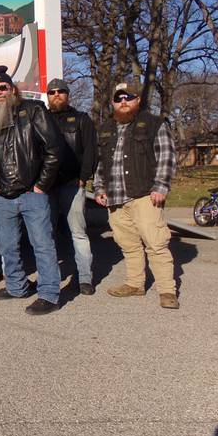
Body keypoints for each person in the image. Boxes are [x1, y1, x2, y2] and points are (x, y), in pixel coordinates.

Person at [0, 66, 64, 315]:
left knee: (42, 244)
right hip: (2, 197)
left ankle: (49, 294)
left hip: (31, 193)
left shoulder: (33, 110)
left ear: (12, 89)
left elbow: (54, 149)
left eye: (2, 88)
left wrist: (41, 185)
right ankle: (17, 286)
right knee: (7, 246)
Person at [94, 80, 179, 309]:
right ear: (113, 102)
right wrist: (99, 188)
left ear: (138, 100)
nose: (123, 102)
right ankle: (135, 284)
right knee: (128, 245)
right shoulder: (105, 128)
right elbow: (101, 163)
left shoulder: (154, 124)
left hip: (144, 195)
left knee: (156, 243)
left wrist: (161, 186)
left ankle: (167, 290)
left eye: (128, 97)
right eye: (118, 98)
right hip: (115, 197)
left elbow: (167, 156)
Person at [46, 78, 98, 295]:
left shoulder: (81, 119)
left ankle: (85, 277)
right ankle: (50, 278)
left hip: (72, 185)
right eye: (52, 92)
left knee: (78, 233)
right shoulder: (41, 118)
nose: (56, 94)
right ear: (47, 96)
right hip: (46, 187)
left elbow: (91, 151)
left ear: (68, 94)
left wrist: (83, 176)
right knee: (45, 234)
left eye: (61, 91)